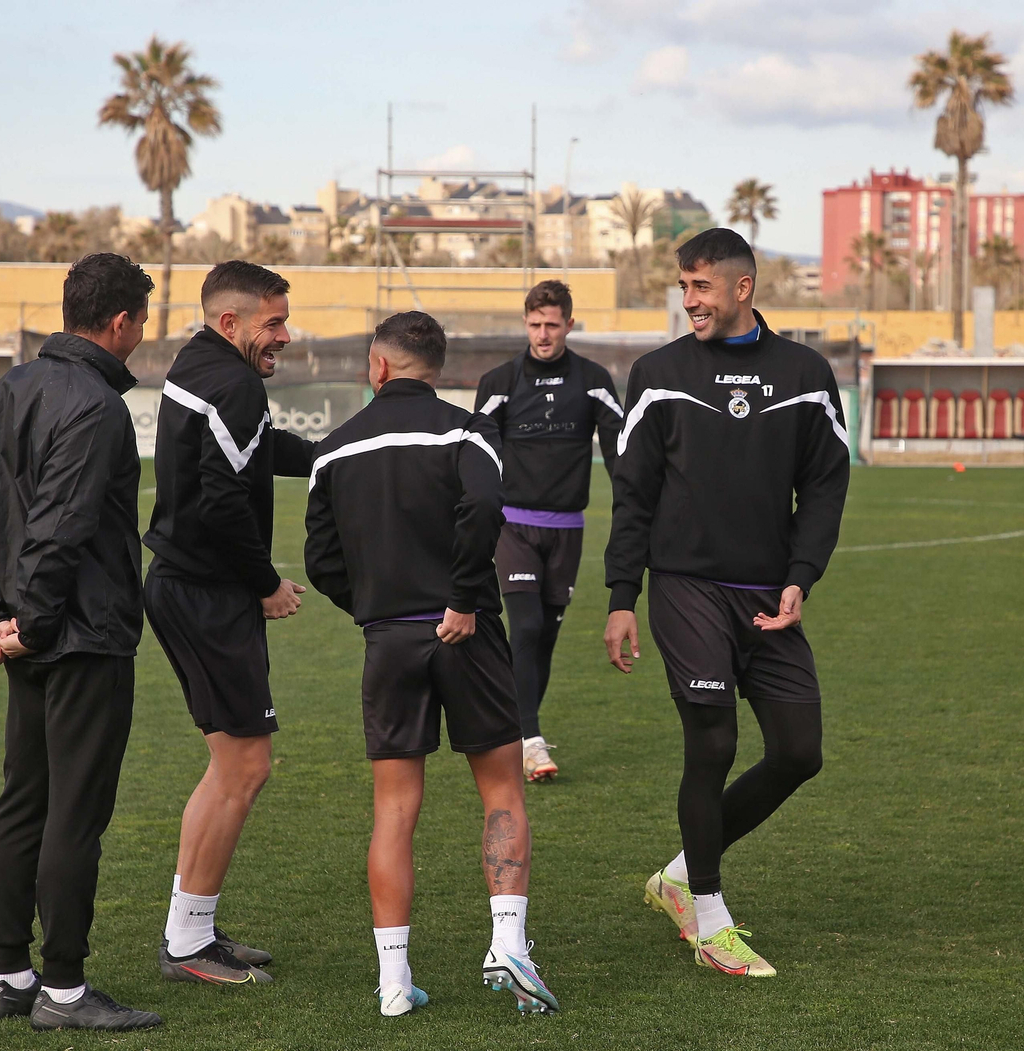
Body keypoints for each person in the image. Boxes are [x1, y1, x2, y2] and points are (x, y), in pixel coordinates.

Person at [603, 228, 849, 978]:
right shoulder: (657, 372)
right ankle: (710, 915)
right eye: (682, 286)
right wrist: (623, 596)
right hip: (687, 586)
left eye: (700, 286)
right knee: (711, 742)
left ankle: (680, 872)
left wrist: (801, 576)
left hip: (768, 594)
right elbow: (632, 493)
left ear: (743, 288)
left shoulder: (807, 374)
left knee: (799, 752)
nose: (689, 301)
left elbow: (828, 483)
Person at [305, 311, 559, 1015]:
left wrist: (377, 608)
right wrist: (462, 595)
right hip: (464, 630)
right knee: (502, 788)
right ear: (437, 369)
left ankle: (393, 982)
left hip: (388, 638)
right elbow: (483, 503)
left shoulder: (334, 447)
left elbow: (320, 560)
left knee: (393, 810)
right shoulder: (468, 428)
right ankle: (508, 941)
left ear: (377, 366)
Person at [0, 253, 162, 1031]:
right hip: (80, 636)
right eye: (142, 319)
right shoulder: (98, 407)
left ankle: (10, 974)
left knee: (23, 801)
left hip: (28, 634)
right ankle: (65, 991)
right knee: (73, 812)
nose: (143, 333)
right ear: (119, 322)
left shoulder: (7, 388)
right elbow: (60, 526)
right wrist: (28, 622)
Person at [142, 260, 316, 985]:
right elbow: (223, 504)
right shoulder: (235, 381)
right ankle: (186, 943)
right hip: (208, 593)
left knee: (233, 764)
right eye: (272, 323)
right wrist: (266, 583)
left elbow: (251, 451)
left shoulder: (201, 360)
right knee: (245, 765)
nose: (285, 334)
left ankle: (193, 929)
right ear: (231, 322)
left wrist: (328, 457)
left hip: (187, 586)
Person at [475, 280, 623, 782]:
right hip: (513, 526)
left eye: (552, 325)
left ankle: (517, 736)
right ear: (526, 324)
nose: (543, 334)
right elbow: (476, 453)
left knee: (544, 641)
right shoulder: (499, 382)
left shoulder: (594, 379)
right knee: (528, 627)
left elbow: (624, 452)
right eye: (535, 324)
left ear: (569, 325)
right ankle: (531, 740)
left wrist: (640, 504)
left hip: (568, 529)